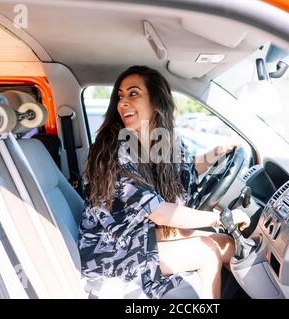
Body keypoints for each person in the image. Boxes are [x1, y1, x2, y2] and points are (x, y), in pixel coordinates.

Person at [78, 65, 250, 299]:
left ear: (157, 102)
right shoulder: (112, 153)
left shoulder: (153, 142)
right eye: (121, 96)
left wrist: (215, 154)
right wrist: (220, 218)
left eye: (133, 93)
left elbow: (181, 167)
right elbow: (159, 212)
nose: (123, 103)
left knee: (228, 245)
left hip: (141, 235)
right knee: (208, 251)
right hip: (110, 250)